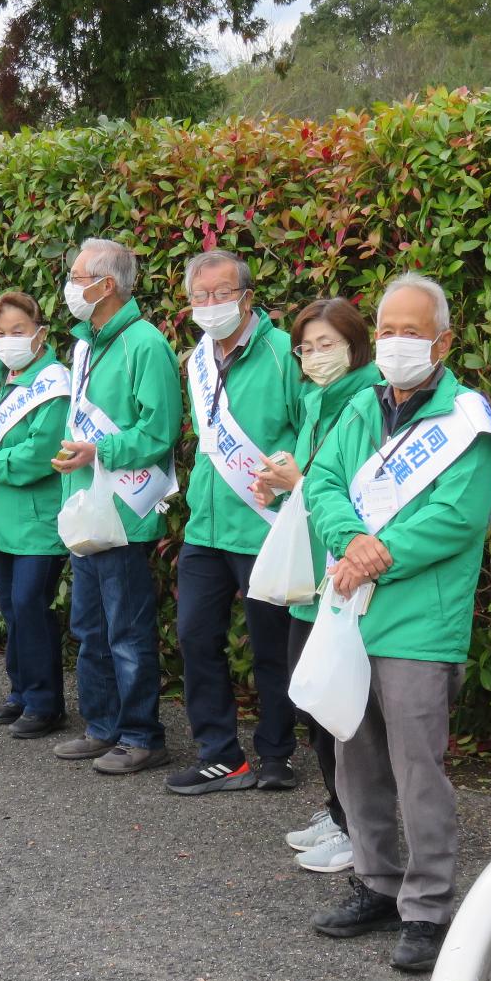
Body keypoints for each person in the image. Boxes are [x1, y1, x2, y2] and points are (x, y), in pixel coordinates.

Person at [301, 273, 491, 975]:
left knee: (418, 768)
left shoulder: (467, 422)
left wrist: (376, 553)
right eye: (386, 329)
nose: (395, 343)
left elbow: (458, 514)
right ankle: (378, 882)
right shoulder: (359, 406)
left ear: (443, 342)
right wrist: (349, 539)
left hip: (422, 619)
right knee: (354, 759)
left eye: (411, 332)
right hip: (352, 612)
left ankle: (428, 906)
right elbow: (323, 483)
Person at [165, 250, 305, 795]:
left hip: (263, 524)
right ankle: (220, 753)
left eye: (222, 294)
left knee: (271, 646)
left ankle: (276, 753)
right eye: (199, 297)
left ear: (247, 297)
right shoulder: (197, 359)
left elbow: (310, 427)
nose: (210, 306)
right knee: (195, 637)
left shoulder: (282, 354)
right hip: (206, 526)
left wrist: (286, 467)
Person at [252, 298, 380, 869]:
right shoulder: (315, 403)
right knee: (312, 703)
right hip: (312, 579)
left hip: (345, 576)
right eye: (305, 347)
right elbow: (308, 483)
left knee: (338, 708)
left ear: (356, 345)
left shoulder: (368, 404)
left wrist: (298, 480)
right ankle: (337, 810)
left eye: (327, 344)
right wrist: (279, 483)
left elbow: (361, 495)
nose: (314, 357)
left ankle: (360, 828)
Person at [49, 239, 182, 775]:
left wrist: (99, 449)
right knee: (89, 627)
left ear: (106, 285)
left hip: (125, 508)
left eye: (78, 276)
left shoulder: (145, 344)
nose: (70, 286)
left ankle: (141, 735)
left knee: (126, 630)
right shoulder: (87, 344)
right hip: (87, 505)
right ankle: (102, 727)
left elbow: (159, 429)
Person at [0, 292, 73, 740]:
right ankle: (21, 691)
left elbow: (45, 448)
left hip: (39, 518)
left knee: (29, 603)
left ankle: (46, 703)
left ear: (40, 333)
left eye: (18, 331)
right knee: (11, 605)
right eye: (0, 333)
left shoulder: (54, 383)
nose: (8, 340)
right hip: (0, 514)